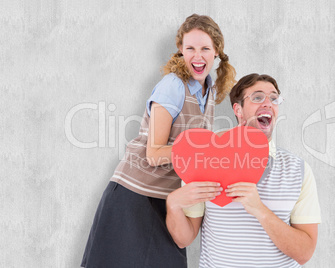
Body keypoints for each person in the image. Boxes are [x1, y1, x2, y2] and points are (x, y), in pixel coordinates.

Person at [81, 14, 236, 268]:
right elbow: (154, 153)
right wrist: (204, 150)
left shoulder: (209, 91)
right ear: (180, 50)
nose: (197, 57)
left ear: (216, 51)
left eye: (205, 48)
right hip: (134, 199)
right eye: (190, 48)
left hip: (168, 201)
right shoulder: (172, 86)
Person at [166, 73, 321, 267]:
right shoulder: (204, 161)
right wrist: (173, 205)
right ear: (238, 109)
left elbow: (304, 253)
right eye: (257, 97)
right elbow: (184, 239)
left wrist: (260, 210)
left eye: (274, 98)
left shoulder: (298, 170)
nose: (268, 103)